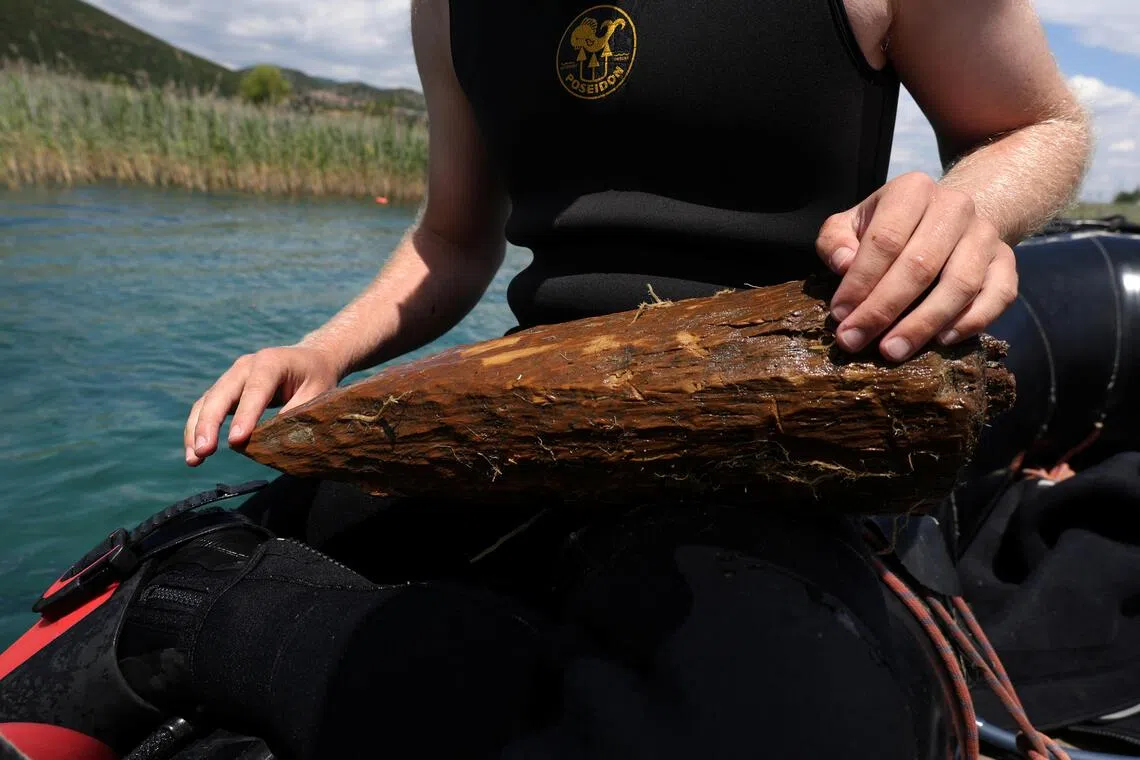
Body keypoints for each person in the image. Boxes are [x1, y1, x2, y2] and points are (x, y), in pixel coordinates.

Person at [0, 1, 1092, 759]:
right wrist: (323, 353)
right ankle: (194, 602)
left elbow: (1042, 124)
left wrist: (966, 210)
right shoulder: (452, 5)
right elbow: (449, 239)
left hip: (779, 434)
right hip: (513, 422)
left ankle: (214, 619)